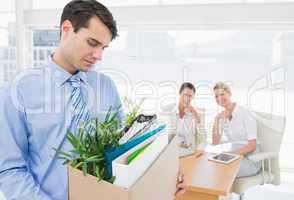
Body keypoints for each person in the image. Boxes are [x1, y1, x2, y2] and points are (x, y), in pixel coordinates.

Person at [0, 1, 185, 199]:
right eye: (92, 43)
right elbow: (10, 170)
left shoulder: (106, 87)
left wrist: (166, 172)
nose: (98, 55)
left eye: (103, 48)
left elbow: (122, 149)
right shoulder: (19, 91)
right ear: (66, 29)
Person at [212, 82, 261, 178]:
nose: (219, 98)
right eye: (216, 96)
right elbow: (215, 142)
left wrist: (230, 155)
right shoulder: (222, 117)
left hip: (250, 159)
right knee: (211, 166)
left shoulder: (245, 113)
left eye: (222, 94)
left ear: (229, 93)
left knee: (220, 170)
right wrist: (217, 120)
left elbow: (252, 145)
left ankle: (223, 192)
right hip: (235, 157)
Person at [177, 82, 201, 149]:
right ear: (179, 93)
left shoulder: (192, 115)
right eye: (185, 95)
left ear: (193, 97)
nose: (187, 98)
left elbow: (196, 140)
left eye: (190, 96)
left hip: (186, 151)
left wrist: (193, 111)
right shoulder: (168, 111)